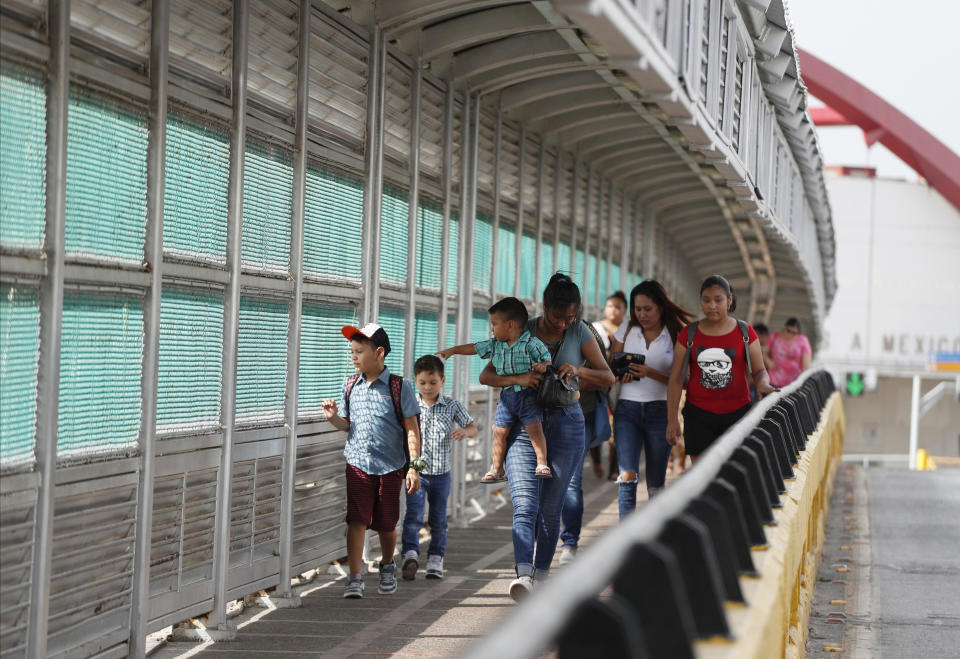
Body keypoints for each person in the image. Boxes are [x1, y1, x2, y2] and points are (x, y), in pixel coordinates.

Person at [479, 274, 614, 600]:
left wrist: (578, 370)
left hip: (567, 424)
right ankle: (523, 576)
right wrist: (522, 378)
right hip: (526, 427)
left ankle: (540, 576)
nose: (564, 324)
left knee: (552, 510)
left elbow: (607, 376)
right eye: (558, 317)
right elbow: (486, 375)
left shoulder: (580, 332)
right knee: (525, 505)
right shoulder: (519, 329)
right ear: (544, 308)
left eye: (571, 317)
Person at [321, 323, 423, 599]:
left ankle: (387, 564)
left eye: (359, 351)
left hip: (390, 467)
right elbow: (348, 425)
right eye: (351, 352)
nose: (353, 357)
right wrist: (333, 419)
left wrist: (414, 467)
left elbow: (412, 428)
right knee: (356, 520)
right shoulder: (350, 384)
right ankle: (355, 576)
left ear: (378, 353)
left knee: (387, 524)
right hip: (357, 464)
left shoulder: (399, 387)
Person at [437, 297, 552, 481]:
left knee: (535, 429)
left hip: (528, 395)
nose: (492, 328)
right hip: (506, 397)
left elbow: (547, 359)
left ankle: (542, 463)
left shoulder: (531, 343)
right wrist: (454, 350)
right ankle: (497, 469)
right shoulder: (495, 345)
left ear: (510, 325)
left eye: (495, 324)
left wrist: (543, 366)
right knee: (498, 432)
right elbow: (474, 348)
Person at [666, 276, 778, 463]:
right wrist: (672, 420)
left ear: (730, 300)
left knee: (733, 473)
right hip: (698, 415)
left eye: (718, 300)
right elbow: (676, 378)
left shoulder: (745, 332)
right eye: (706, 300)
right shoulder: (689, 334)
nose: (712, 306)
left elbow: (759, 370)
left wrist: (763, 383)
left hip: (738, 414)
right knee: (701, 477)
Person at [611, 281, 694, 517]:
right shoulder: (626, 329)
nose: (642, 315)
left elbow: (685, 380)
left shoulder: (676, 334)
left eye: (648, 309)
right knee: (627, 476)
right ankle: (625, 542)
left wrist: (651, 373)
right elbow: (609, 369)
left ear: (660, 306)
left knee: (656, 484)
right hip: (626, 411)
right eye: (637, 309)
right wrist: (620, 374)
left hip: (660, 411)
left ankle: (652, 540)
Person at [400, 355, 478, 581]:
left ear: (442, 381)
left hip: (441, 475)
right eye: (423, 382)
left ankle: (436, 559)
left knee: (438, 519)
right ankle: (410, 554)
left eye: (433, 383)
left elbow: (473, 427)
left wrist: (465, 432)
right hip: (416, 473)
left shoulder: (451, 405)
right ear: (416, 381)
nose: (427, 387)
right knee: (413, 515)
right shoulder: (410, 404)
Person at [557, 320, 610, 565]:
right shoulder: (535, 330)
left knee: (571, 481)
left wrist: (576, 376)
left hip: (582, 415)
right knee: (542, 478)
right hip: (545, 416)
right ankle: (541, 534)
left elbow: (606, 378)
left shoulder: (586, 334)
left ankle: (569, 543)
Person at [591, 291, 627, 480]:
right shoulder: (595, 328)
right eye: (611, 306)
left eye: (618, 306)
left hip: (620, 384)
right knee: (596, 420)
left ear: (625, 310)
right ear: (605, 308)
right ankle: (596, 461)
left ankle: (614, 468)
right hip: (597, 383)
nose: (614, 310)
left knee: (618, 425)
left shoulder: (629, 331)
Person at [766, 318, 812, 387]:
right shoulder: (774, 336)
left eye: (794, 333)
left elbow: (806, 366)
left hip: (793, 385)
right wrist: (768, 361)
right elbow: (764, 353)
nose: (790, 334)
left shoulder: (803, 341)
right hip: (773, 381)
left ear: (798, 333)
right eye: (788, 330)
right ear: (784, 327)